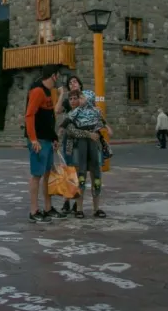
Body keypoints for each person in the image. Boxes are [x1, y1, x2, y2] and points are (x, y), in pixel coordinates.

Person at [25, 64, 62, 223]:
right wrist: (33, 139)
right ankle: (34, 211)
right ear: (53, 76)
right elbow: (29, 115)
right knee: (36, 176)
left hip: (47, 139)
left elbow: (48, 118)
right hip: (38, 140)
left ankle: (48, 208)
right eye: (57, 76)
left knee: (47, 175)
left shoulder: (48, 92)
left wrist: (54, 138)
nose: (58, 79)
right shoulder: (37, 91)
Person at [65, 89, 107, 218]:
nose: (73, 101)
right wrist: (89, 134)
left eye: (75, 98)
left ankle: (96, 208)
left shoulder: (93, 112)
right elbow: (72, 131)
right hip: (78, 148)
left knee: (96, 176)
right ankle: (79, 208)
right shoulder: (72, 114)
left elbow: (101, 124)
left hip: (94, 147)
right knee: (80, 177)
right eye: (70, 99)